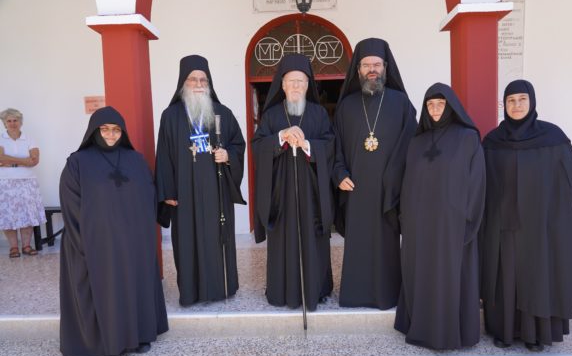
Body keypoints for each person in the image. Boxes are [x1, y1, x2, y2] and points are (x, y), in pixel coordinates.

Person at [59, 106, 168, 356]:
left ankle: (139, 336)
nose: (111, 134)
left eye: (116, 130)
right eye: (105, 129)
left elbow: (149, 196)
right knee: (107, 291)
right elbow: (70, 203)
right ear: (94, 131)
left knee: (134, 287)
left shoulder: (135, 160)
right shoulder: (77, 162)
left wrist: (144, 234)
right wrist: (84, 242)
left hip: (133, 243)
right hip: (96, 244)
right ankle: (108, 342)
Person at [480, 79, 572, 352]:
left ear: (532, 101)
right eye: (511, 100)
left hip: (541, 226)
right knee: (505, 279)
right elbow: (482, 183)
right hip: (503, 227)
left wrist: (560, 220)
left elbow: (569, 185)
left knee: (537, 277)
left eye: (522, 99)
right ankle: (504, 332)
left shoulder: (553, 138)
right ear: (503, 104)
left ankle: (536, 335)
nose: (516, 105)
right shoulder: (492, 141)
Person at [394, 83, 485, 349]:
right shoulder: (416, 142)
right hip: (419, 225)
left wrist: (468, 221)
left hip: (452, 225)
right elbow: (407, 182)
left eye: (440, 104)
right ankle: (420, 327)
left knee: (449, 276)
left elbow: (477, 183)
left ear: (451, 107)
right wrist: (405, 218)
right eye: (430, 105)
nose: (434, 110)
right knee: (420, 274)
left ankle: (450, 333)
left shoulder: (467, 138)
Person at [333, 38, 417, 309]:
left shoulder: (401, 103)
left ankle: (387, 294)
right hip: (355, 189)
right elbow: (335, 146)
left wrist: (396, 180)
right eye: (366, 65)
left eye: (377, 64)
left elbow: (412, 145)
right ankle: (355, 294)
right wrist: (339, 172)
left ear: (385, 68)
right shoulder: (346, 107)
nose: (372, 70)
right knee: (358, 242)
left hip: (388, 190)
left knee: (386, 244)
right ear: (357, 69)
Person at [155, 55, 246, 306]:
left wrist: (228, 155)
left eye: (203, 80)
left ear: (209, 83)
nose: (198, 84)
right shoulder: (170, 116)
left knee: (217, 238)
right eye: (192, 79)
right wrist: (167, 191)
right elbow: (163, 154)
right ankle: (191, 291)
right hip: (183, 192)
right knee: (187, 241)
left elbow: (238, 144)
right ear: (182, 83)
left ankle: (222, 288)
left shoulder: (223, 113)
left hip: (216, 191)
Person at [252, 53, 334, 311]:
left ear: (308, 86)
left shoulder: (319, 114)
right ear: (283, 85)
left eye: (301, 81)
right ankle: (282, 291)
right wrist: (281, 137)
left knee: (313, 238)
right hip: (281, 193)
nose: (296, 86)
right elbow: (257, 147)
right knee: (283, 240)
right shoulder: (271, 115)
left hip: (312, 192)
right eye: (291, 81)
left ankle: (316, 289)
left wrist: (308, 145)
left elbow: (330, 146)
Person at [0, 108, 46, 258]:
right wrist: (23, 161)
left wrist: (8, 160)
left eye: (15, 120)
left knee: (28, 214)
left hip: (28, 181)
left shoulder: (29, 139)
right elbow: (0, 158)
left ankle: (26, 246)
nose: (12, 123)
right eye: (9, 121)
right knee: (8, 215)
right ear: (4, 123)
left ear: (20, 122)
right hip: (5, 182)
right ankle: (13, 247)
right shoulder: (1, 138)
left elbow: (34, 161)